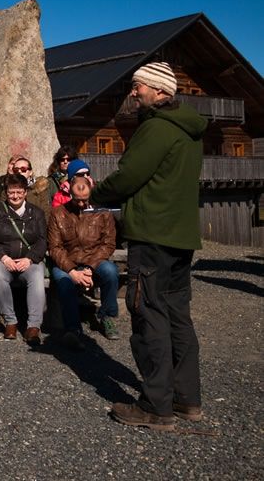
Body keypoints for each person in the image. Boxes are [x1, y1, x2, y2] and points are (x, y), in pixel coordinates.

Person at [91, 62, 207, 431]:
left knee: (148, 317)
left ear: (159, 91)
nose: (133, 92)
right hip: (180, 236)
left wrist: (93, 193)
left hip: (152, 236)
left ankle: (156, 407)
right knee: (177, 317)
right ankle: (186, 400)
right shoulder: (190, 130)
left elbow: (129, 176)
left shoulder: (156, 128)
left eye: (138, 86)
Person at [47, 176, 119, 350]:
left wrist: (89, 267)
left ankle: (106, 316)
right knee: (65, 283)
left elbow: (108, 243)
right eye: (77, 200)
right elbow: (55, 247)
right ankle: (73, 328)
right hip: (67, 261)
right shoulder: (58, 213)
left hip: (94, 259)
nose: (81, 204)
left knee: (110, 272)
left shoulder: (103, 212)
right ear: (70, 194)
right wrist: (72, 271)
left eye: (85, 200)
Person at [0, 173, 48, 345]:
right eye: (12, 192)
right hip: (2, 259)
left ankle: (34, 326)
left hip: (28, 261)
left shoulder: (37, 213)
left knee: (37, 276)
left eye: (19, 192)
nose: (15, 196)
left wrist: (30, 259)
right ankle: (10, 321)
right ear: (6, 192)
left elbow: (42, 240)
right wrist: (3, 258)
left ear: (25, 192)